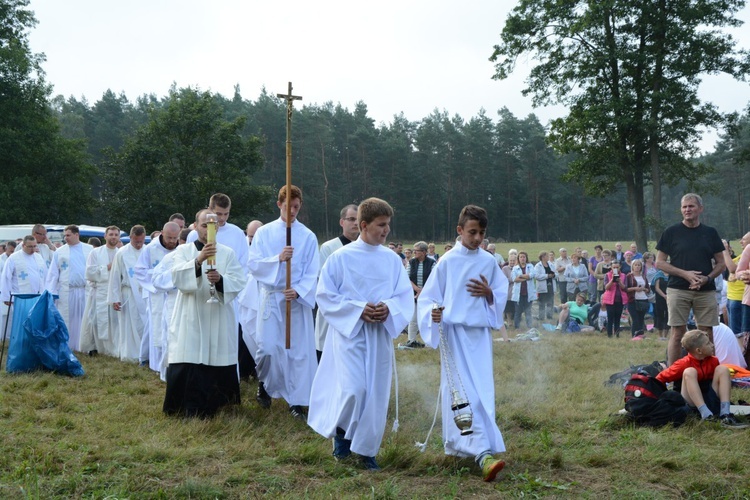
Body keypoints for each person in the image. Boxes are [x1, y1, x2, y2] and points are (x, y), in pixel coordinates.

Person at [308, 198, 412, 471]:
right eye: (381, 225)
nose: (386, 230)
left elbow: (403, 296)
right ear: (364, 225)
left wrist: (388, 309)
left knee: (375, 394)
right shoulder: (340, 258)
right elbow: (325, 295)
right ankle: (341, 438)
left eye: (388, 224)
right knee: (354, 389)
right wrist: (357, 310)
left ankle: (367, 451)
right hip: (350, 335)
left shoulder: (391, 259)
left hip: (379, 336)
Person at [417, 204, 508, 482]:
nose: (477, 238)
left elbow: (500, 295)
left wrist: (491, 293)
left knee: (481, 391)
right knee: (461, 391)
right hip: (454, 335)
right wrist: (433, 312)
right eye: (472, 232)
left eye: (481, 233)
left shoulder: (488, 261)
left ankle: (476, 447)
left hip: (479, 337)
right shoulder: (447, 261)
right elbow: (429, 297)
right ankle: (480, 453)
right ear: (459, 231)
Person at [163, 209, 247, 418]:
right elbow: (177, 277)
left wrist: (220, 281)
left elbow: (238, 281)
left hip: (217, 313)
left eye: (213, 225)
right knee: (189, 353)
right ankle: (183, 406)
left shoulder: (227, 253)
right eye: (204, 225)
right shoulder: (184, 251)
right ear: (195, 225)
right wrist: (199, 260)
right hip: (190, 311)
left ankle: (217, 404)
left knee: (215, 356)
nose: (209, 229)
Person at [247, 185, 319, 420]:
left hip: (295, 302)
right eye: (289, 207)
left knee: (297, 353)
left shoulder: (307, 236)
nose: (293, 212)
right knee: (267, 349)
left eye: (297, 207)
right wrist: (277, 259)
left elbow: (312, 271)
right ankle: (266, 384)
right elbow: (254, 264)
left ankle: (296, 401)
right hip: (272, 298)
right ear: (279, 205)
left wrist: (298, 291)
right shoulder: (264, 233)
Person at [186, 193, 253, 380]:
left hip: (227, 293)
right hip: (199, 292)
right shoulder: (195, 233)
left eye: (226, 214)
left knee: (228, 337)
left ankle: (229, 375)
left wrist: (227, 283)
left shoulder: (237, 234)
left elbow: (243, 264)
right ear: (210, 209)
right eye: (218, 214)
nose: (222, 219)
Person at [656, 193, 725, 366]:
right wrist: (685, 274)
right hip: (678, 289)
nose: (687, 210)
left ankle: (707, 375)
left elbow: (721, 264)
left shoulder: (710, 233)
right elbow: (659, 262)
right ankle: (673, 377)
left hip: (705, 290)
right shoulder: (671, 232)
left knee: (706, 333)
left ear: (700, 209)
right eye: (684, 207)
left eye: (691, 206)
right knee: (677, 333)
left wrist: (707, 278)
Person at [655, 330, 746, 427]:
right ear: (699, 351)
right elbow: (659, 379)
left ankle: (725, 414)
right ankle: (706, 415)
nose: (712, 345)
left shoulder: (713, 360)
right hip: (690, 402)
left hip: (708, 395)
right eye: (708, 343)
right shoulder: (683, 363)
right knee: (690, 372)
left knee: (722, 369)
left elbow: (716, 382)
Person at [314, 204, 359, 360]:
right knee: (329, 354)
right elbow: (324, 281)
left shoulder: (367, 247)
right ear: (342, 222)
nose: (355, 223)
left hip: (359, 309)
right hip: (334, 306)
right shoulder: (329, 247)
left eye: (358, 220)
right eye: (351, 219)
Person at [135, 221, 181, 373]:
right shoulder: (150, 249)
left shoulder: (181, 249)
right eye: (169, 238)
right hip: (157, 296)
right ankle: (156, 364)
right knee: (156, 329)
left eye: (175, 238)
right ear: (162, 233)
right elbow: (140, 271)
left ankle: (172, 363)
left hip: (175, 295)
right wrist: (159, 278)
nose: (172, 242)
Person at [46, 225, 94, 351]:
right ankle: (67, 344)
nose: (65, 238)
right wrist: (51, 291)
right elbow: (53, 273)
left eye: (68, 235)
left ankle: (84, 345)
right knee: (67, 318)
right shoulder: (60, 251)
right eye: (64, 235)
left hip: (85, 289)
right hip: (67, 290)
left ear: (76, 235)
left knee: (85, 317)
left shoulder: (89, 249)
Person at [108, 225, 148, 363]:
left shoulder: (147, 251)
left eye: (141, 241)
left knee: (144, 323)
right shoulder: (122, 253)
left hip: (144, 293)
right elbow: (114, 277)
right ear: (130, 238)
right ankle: (130, 354)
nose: (139, 244)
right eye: (136, 241)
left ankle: (145, 353)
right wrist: (115, 298)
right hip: (128, 293)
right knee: (128, 325)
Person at [80, 226, 121, 357]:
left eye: (116, 235)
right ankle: (95, 347)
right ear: (105, 236)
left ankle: (114, 348)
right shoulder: (96, 253)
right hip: (99, 291)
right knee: (95, 320)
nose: (113, 237)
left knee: (114, 322)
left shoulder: (121, 252)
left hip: (115, 291)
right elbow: (89, 272)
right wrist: (107, 267)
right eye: (111, 234)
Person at [0, 235, 47, 338]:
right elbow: (6, 277)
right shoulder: (14, 258)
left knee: (36, 321)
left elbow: (44, 276)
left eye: (34, 246)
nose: (33, 249)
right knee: (22, 321)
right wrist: (7, 297)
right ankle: (21, 343)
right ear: (23, 245)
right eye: (30, 246)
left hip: (37, 296)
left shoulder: (38, 257)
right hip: (21, 297)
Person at [401, 241, 436, 349]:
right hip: (414, 296)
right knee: (413, 320)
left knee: (428, 320)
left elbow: (434, 279)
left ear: (424, 252)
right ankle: (411, 341)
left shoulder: (432, 262)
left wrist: (423, 292)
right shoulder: (411, 262)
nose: (414, 252)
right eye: (414, 250)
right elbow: (406, 278)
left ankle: (430, 343)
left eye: (417, 251)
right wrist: (417, 290)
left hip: (428, 297)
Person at [724, 234, 749, 335]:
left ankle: (740, 350)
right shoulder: (743, 255)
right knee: (736, 332)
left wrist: (724, 250)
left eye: (744, 240)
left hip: (739, 297)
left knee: (739, 333)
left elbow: (732, 269)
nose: (740, 242)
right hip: (732, 297)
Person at [602, 260, 628, 338]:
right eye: (614, 267)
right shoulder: (607, 275)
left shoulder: (623, 275)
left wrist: (620, 282)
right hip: (610, 300)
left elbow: (625, 288)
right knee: (610, 318)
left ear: (620, 267)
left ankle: (617, 334)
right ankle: (609, 335)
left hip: (620, 300)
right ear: (611, 267)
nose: (615, 269)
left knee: (617, 318)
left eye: (617, 267)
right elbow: (606, 287)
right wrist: (612, 280)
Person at [511, 251, 536, 329]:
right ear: (518, 258)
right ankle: (517, 327)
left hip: (528, 293)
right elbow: (514, 279)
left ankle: (529, 326)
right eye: (521, 257)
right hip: (519, 293)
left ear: (526, 258)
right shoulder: (515, 268)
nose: (522, 258)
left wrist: (521, 276)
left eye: (524, 257)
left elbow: (531, 275)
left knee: (528, 311)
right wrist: (526, 277)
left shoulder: (530, 266)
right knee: (518, 311)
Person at [626, 259, 650, 337]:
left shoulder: (643, 276)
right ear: (632, 266)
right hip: (633, 300)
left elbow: (648, 289)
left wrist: (644, 289)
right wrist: (635, 289)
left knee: (641, 319)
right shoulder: (629, 276)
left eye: (638, 265)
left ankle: (641, 335)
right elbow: (626, 289)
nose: (637, 267)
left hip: (643, 299)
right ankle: (634, 335)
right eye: (635, 265)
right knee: (635, 319)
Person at [534, 251, 556, 321]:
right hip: (542, 287)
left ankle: (549, 316)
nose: (548, 257)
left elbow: (556, 273)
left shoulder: (551, 264)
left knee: (550, 302)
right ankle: (541, 317)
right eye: (547, 256)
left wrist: (553, 275)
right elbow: (536, 276)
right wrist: (547, 276)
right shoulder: (538, 266)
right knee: (542, 303)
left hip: (551, 286)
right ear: (543, 257)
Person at [651, 267, 669, 340]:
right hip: (660, 298)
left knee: (668, 316)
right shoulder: (658, 275)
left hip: (670, 297)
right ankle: (660, 335)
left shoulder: (672, 275)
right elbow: (657, 288)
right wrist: (664, 296)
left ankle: (665, 336)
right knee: (660, 316)